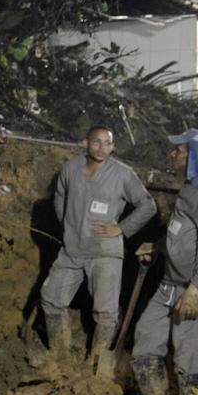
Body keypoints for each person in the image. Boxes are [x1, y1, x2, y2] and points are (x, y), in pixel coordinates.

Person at [36, 125, 156, 376]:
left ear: (113, 147)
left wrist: (122, 228)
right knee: (51, 298)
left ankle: (96, 364)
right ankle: (60, 357)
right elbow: (60, 199)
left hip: (105, 252)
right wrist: (70, 227)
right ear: (85, 143)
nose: (102, 148)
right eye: (96, 142)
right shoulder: (70, 169)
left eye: (107, 143)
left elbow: (147, 205)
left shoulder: (123, 174)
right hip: (73, 249)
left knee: (105, 311)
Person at [132, 128, 198, 395]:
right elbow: (183, 231)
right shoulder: (191, 184)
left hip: (190, 285)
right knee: (147, 336)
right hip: (169, 281)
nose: (172, 154)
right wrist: (158, 246)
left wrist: (197, 289)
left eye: (179, 149)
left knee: (189, 348)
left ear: (195, 154)